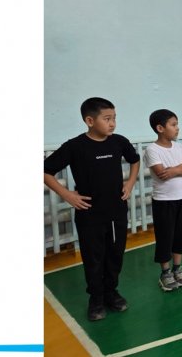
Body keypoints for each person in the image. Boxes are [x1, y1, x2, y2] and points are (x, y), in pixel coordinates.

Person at [44, 97, 140, 321]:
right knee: (94, 258)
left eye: (114, 118)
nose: (112, 123)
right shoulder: (75, 146)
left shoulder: (119, 142)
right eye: (107, 119)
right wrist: (67, 195)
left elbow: (134, 160)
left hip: (117, 212)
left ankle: (111, 292)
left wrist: (130, 183)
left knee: (115, 255)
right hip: (90, 214)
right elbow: (45, 171)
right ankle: (96, 299)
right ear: (89, 121)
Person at [145, 109, 182, 291]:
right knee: (165, 236)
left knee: (181, 235)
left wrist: (174, 170)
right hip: (164, 201)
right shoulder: (152, 150)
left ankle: (177, 268)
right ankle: (165, 272)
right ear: (160, 128)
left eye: (177, 124)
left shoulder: (180, 147)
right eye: (173, 125)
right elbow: (162, 173)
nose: (177, 128)